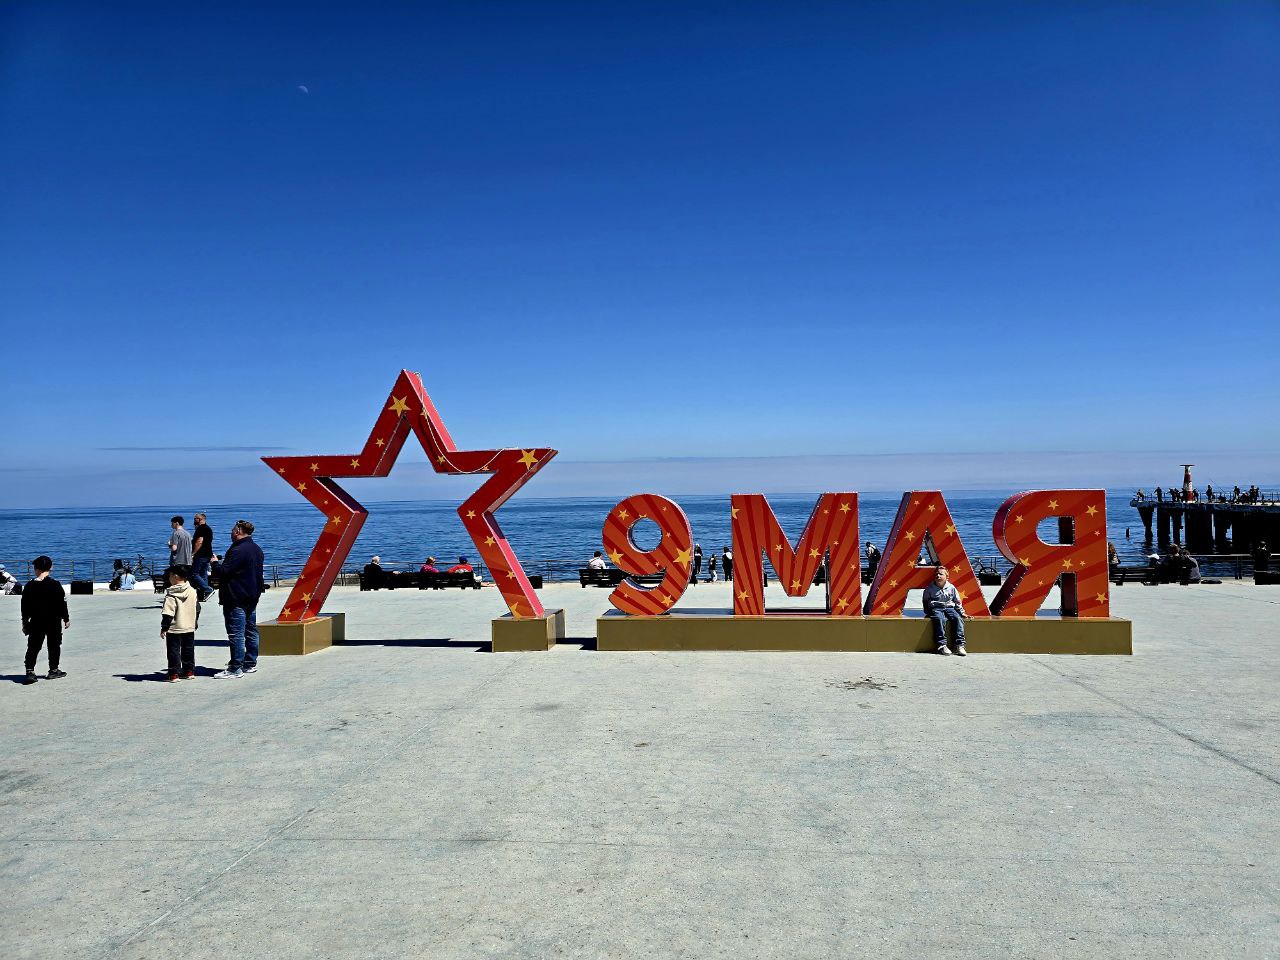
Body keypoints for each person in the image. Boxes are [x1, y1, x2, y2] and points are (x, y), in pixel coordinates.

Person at [213, 520, 264, 679]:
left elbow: (224, 571)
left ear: (238, 531)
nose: (230, 533)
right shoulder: (256, 548)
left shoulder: (238, 550)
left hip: (236, 596)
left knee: (236, 633)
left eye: (232, 530)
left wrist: (215, 564)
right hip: (252, 595)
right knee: (250, 630)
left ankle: (235, 668)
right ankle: (249, 663)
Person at [20, 555, 70, 684]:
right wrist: (66, 618)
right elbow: (62, 603)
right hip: (53, 621)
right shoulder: (55, 585)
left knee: (33, 646)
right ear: (51, 567)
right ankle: (53, 670)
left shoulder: (30, 586)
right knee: (54, 645)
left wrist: (25, 623)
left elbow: (25, 607)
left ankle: (30, 671)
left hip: (36, 621)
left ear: (36, 569)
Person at [160, 565, 199, 682]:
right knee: (188, 650)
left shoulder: (171, 594)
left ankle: (174, 674)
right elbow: (197, 608)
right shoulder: (192, 591)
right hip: (189, 626)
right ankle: (189, 671)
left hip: (175, 628)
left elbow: (168, 613)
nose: (169, 578)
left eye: (170, 575)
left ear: (176, 577)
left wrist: (164, 628)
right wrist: (194, 621)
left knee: (173, 651)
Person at [922, 567, 966, 656]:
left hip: (949, 607)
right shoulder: (930, 588)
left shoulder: (951, 587)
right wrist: (927, 611)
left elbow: (957, 601)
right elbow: (925, 600)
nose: (938, 576)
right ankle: (942, 644)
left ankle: (959, 644)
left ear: (947, 577)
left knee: (957, 619)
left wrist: (961, 612)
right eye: (936, 574)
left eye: (941, 574)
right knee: (939, 619)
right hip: (936, 608)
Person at [189, 512, 215, 602]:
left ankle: (207, 589)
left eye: (195, 519)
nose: (194, 521)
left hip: (200, 554)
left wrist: (193, 553)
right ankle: (204, 595)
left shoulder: (201, 528)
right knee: (203, 574)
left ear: (200, 519)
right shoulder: (208, 529)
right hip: (207, 554)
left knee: (194, 574)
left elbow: (199, 541)